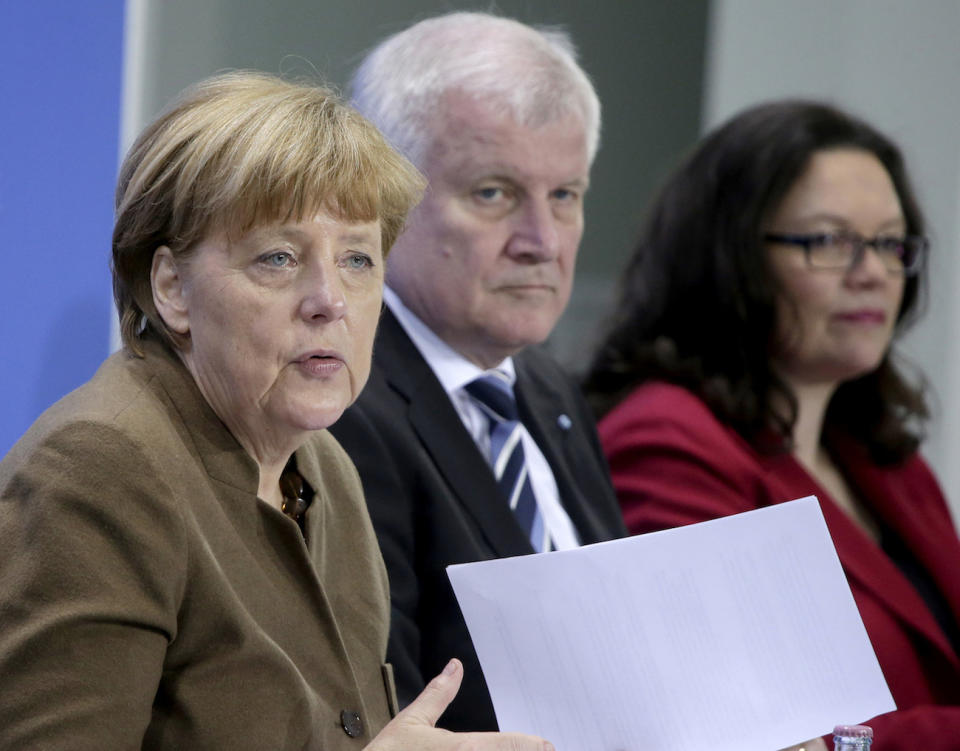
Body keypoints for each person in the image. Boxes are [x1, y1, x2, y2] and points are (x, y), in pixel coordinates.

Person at [0, 71, 556, 751]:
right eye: (278, 258)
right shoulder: (100, 469)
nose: (329, 299)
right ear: (171, 288)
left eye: (357, 257)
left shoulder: (323, 466)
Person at [584, 100, 960, 749]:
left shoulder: (886, 456)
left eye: (889, 244)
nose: (871, 272)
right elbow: (742, 727)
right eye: (830, 241)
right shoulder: (667, 441)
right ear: (729, 257)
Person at [329, 12, 627, 732]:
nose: (544, 242)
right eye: (493, 193)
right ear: (381, 204)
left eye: (566, 195)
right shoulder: (341, 403)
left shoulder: (545, 386)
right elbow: (385, 713)